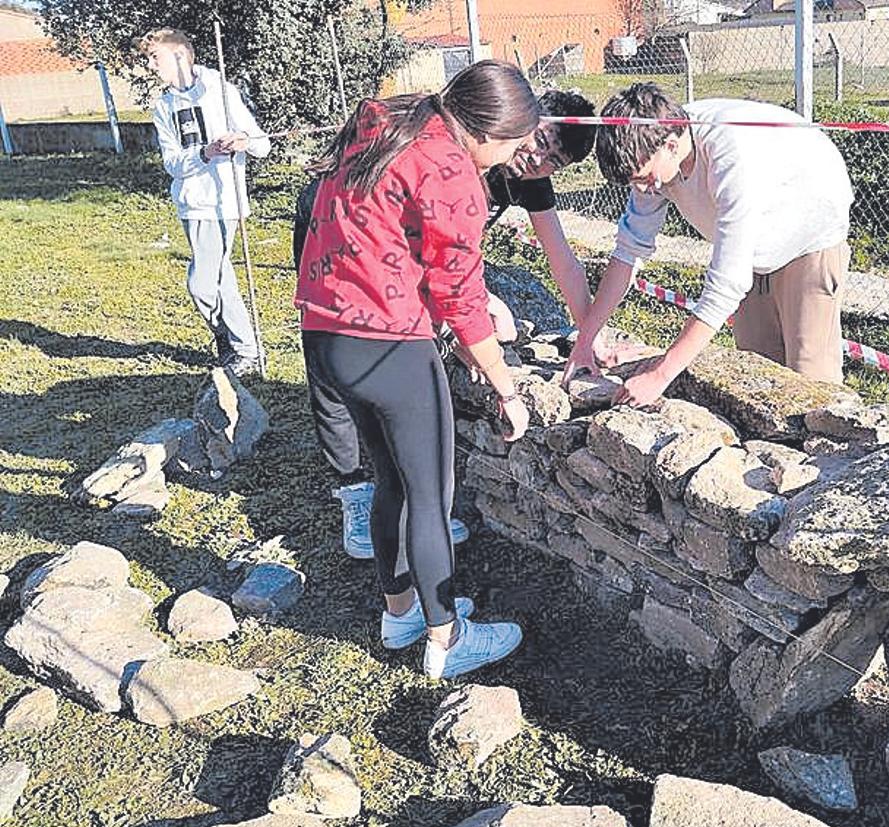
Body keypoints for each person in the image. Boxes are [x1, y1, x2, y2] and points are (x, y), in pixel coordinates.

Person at [295, 60, 535, 680]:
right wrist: (506, 387)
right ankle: (447, 639)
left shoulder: (389, 118)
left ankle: (399, 612)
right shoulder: (454, 172)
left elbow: (379, 233)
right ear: (486, 131)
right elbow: (460, 294)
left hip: (326, 330)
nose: (507, 160)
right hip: (388, 343)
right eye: (509, 147)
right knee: (431, 497)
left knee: (391, 484)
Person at [293, 90, 598, 561]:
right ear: (519, 122)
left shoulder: (523, 173)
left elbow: (560, 261)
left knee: (399, 363)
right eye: (540, 141)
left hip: (406, 258)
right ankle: (355, 489)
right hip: (342, 224)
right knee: (334, 348)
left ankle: (409, 499)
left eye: (553, 160)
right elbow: (449, 273)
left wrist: (587, 339)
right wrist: (482, 344)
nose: (536, 158)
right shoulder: (457, 148)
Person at [563, 83, 854, 405]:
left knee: (810, 380)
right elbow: (629, 250)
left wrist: (660, 375)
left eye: (645, 178)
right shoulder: (652, 151)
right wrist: (585, 342)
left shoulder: (731, 158)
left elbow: (726, 285)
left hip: (808, 234)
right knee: (759, 373)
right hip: (754, 246)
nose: (646, 189)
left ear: (672, 145)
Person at [141, 27, 268, 377]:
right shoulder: (163, 106)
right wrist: (205, 152)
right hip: (191, 204)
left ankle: (235, 342)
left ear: (180, 55)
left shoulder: (222, 92)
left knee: (201, 283)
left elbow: (262, 143)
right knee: (219, 278)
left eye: (156, 58)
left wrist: (243, 141)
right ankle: (243, 348)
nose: (151, 66)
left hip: (223, 201)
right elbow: (172, 164)